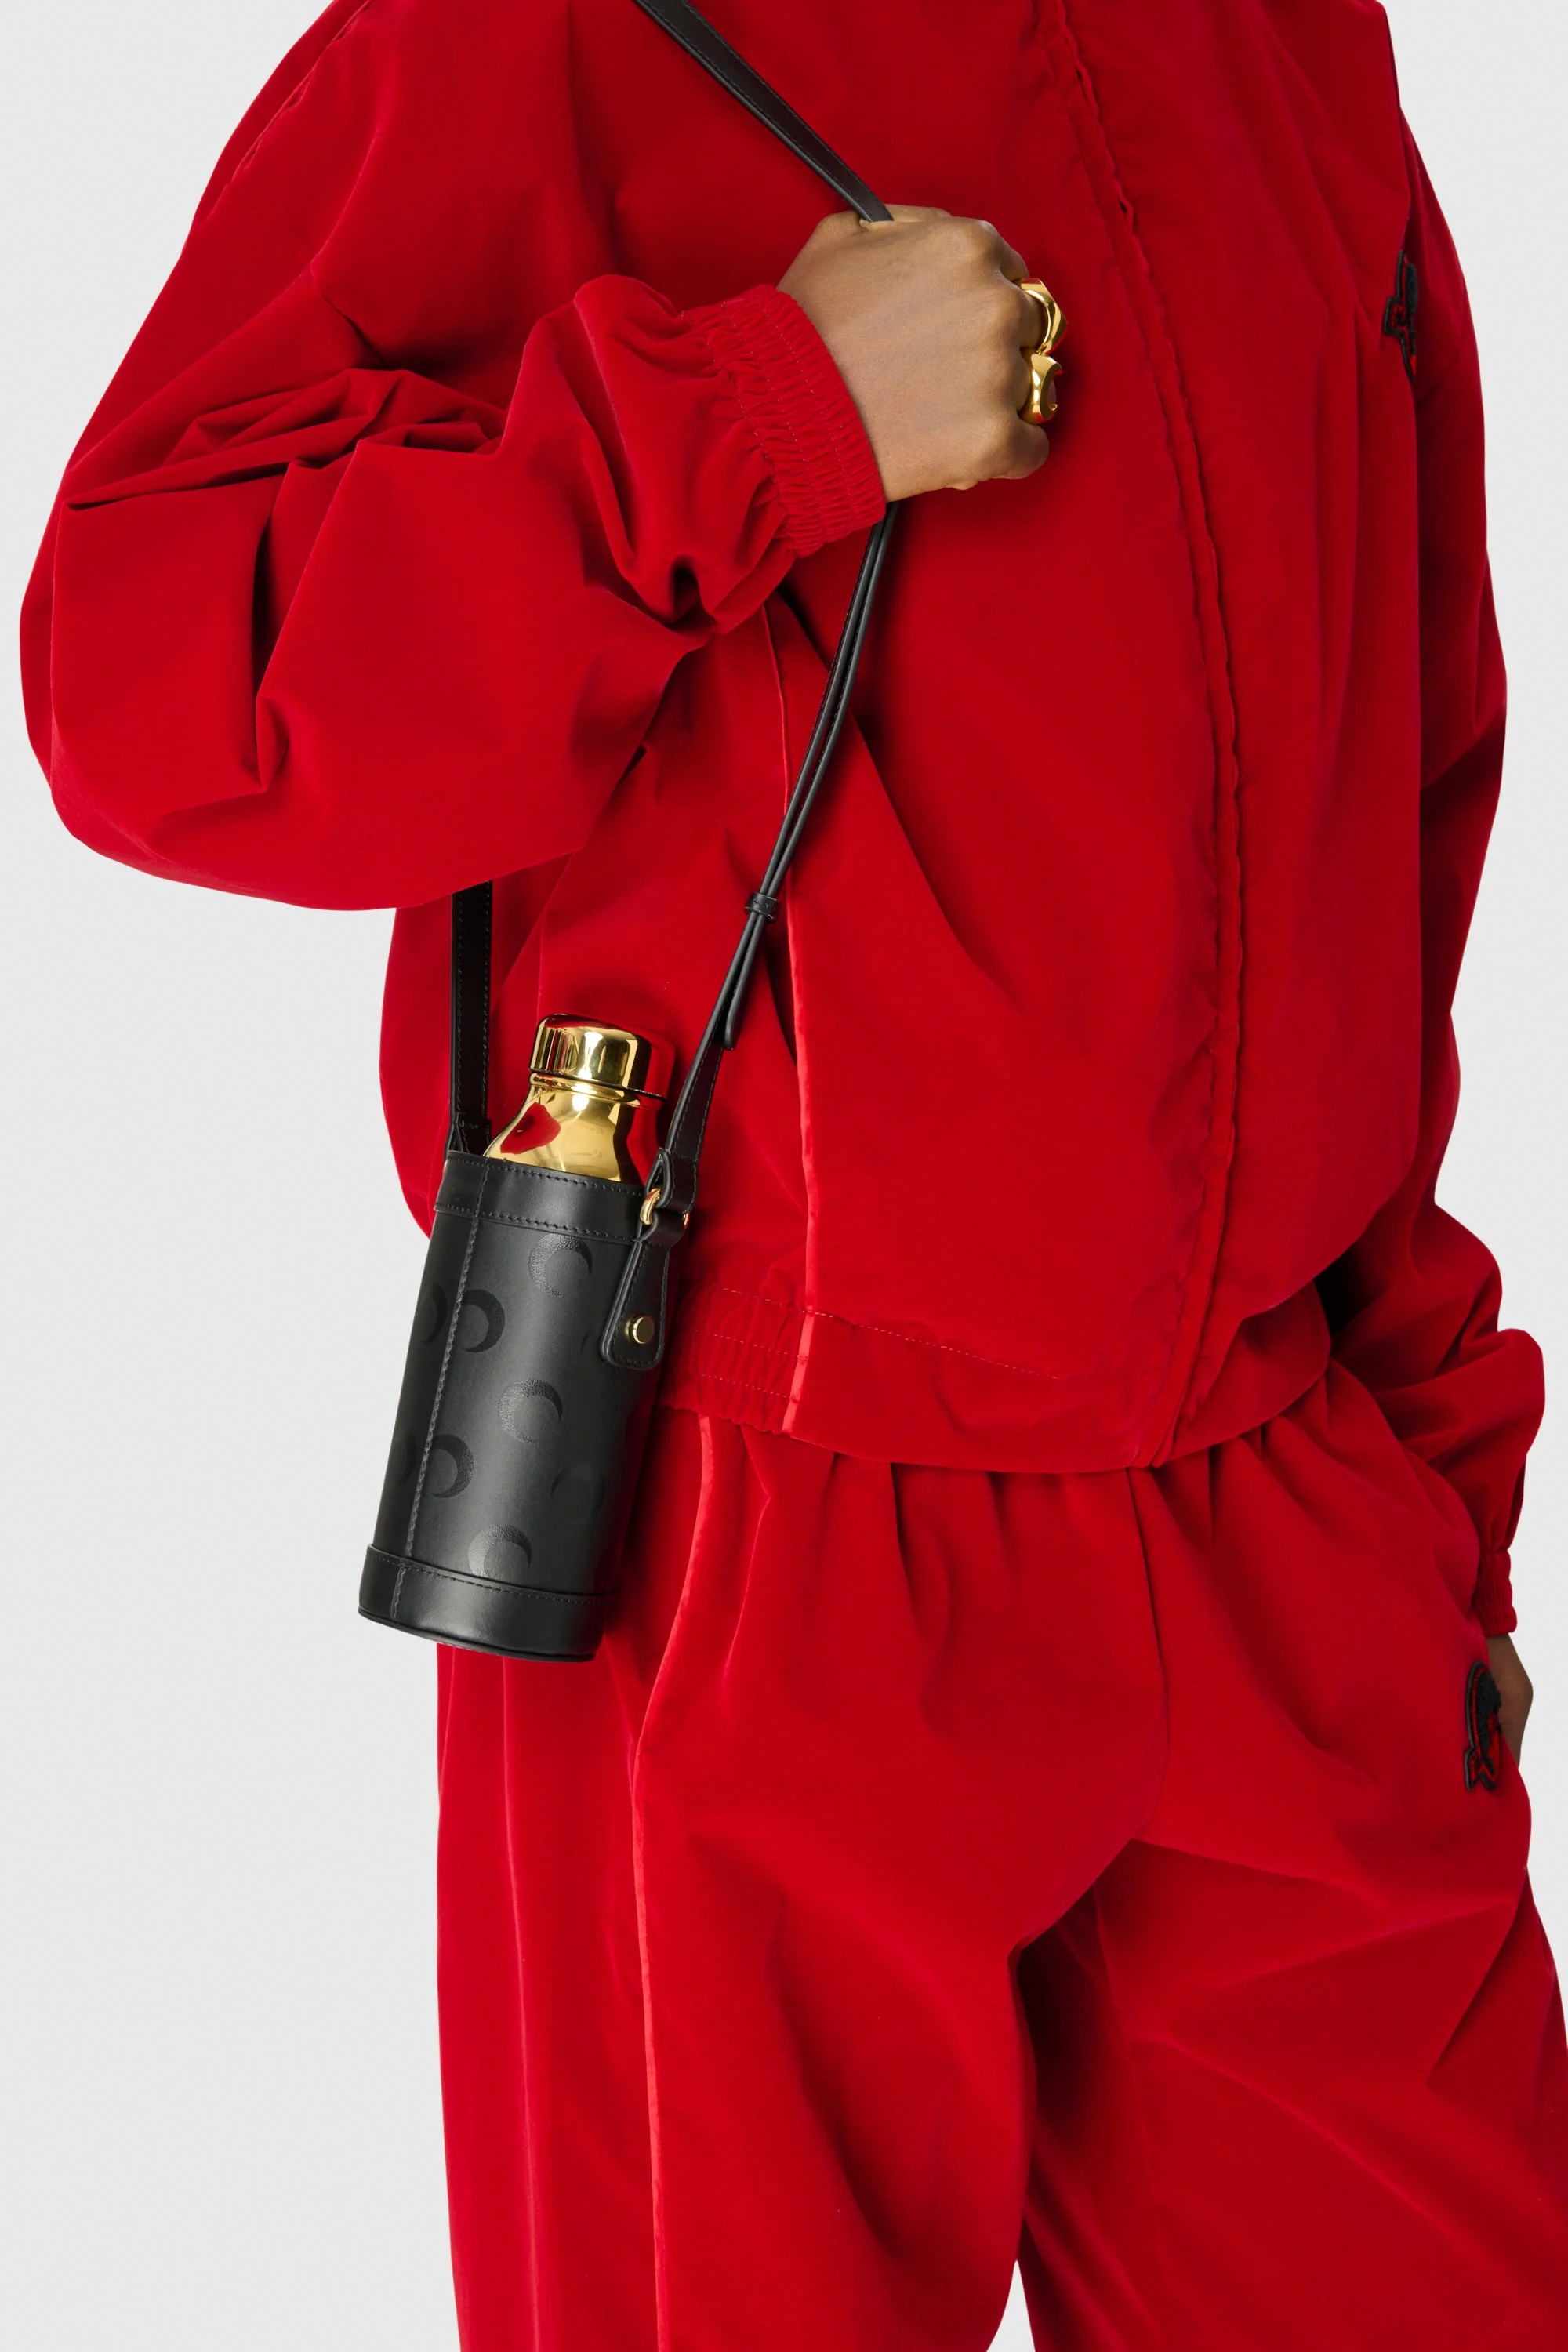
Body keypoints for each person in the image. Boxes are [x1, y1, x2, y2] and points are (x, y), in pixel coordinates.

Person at [20, 1, 1568, 2345]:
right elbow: (144, 684)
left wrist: (1434, 1467)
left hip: (1288, 1506)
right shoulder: (543, 36)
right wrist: (758, 418)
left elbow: (1404, 786)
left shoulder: (1291, 41)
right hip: (742, 1528)